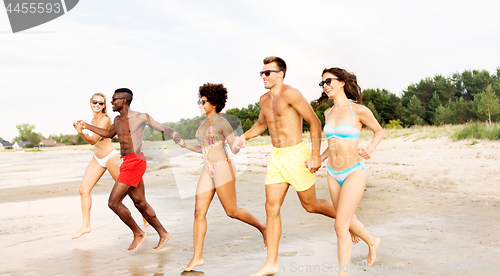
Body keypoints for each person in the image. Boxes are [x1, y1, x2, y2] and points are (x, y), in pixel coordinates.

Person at [235, 56, 350, 276]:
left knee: (311, 205)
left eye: (267, 73)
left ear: (280, 74)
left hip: (297, 154)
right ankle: (271, 263)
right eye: (262, 73)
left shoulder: (291, 94)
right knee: (271, 207)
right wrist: (244, 138)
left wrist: (315, 155)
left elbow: (314, 121)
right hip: (277, 157)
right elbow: (261, 124)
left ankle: (348, 218)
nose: (263, 77)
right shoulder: (264, 99)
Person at [74, 88, 181, 252]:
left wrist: (173, 133)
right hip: (125, 162)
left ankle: (138, 232)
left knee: (113, 202)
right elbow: (108, 134)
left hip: (136, 162)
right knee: (140, 203)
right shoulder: (117, 120)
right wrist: (86, 125)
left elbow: (160, 127)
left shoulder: (140, 117)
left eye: (114, 99)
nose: (111, 102)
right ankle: (163, 233)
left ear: (124, 100)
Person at [181, 83, 266, 272]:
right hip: (207, 168)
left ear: (214, 102)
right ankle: (197, 257)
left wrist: (238, 144)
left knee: (231, 211)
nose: (199, 104)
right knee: (198, 212)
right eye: (199, 100)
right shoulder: (202, 124)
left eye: (202, 101)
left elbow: (233, 148)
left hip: (222, 167)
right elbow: (203, 148)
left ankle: (263, 228)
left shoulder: (222, 123)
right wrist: (185, 145)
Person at [317, 67, 382, 275]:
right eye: (322, 83)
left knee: (340, 226)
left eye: (329, 81)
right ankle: (372, 241)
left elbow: (378, 130)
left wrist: (370, 148)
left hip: (353, 170)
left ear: (342, 82)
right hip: (332, 173)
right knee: (346, 222)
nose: (325, 86)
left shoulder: (359, 111)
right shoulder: (328, 113)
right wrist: (318, 158)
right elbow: (332, 143)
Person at [72, 93, 121, 239]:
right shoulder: (93, 119)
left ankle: (145, 218)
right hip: (98, 159)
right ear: (90, 103)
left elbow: (93, 140)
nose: (97, 105)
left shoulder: (105, 119)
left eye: (101, 103)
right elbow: (107, 136)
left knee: (130, 190)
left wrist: (81, 132)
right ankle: (86, 225)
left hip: (110, 157)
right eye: (95, 102)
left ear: (104, 105)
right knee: (83, 190)